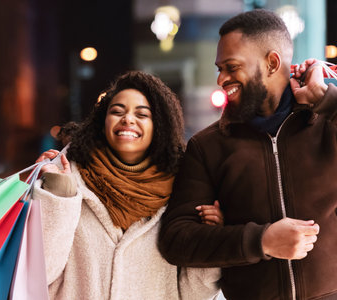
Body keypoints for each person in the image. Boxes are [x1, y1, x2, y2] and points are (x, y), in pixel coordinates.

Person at [158, 9, 337, 300]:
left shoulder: (333, 124)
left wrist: (328, 100)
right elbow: (176, 239)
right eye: (219, 68)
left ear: (272, 63)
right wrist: (262, 240)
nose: (221, 79)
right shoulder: (208, 146)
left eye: (231, 67)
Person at [34, 71, 222, 299]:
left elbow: (194, 294)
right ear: (103, 122)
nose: (128, 120)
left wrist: (210, 237)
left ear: (159, 126)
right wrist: (58, 195)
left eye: (142, 114)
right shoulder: (68, 180)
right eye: (117, 112)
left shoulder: (181, 194)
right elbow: (39, 276)